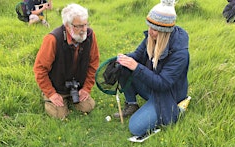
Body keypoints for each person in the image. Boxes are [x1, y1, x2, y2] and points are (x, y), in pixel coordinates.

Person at [113, 0, 190, 137]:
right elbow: (137, 55)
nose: (150, 32)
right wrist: (123, 59)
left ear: (164, 31)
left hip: (168, 95)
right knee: (123, 67)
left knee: (135, 128)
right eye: (149, 26)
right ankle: (132, 104)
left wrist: (136, 67)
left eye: (154, 29)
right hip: (152, 86)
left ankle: (176, 110)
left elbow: (163, 84)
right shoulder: (151, 37)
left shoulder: (180, 53)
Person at [33, 3, 100, 119]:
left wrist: (86, 88)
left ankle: (70, 97)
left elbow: (93, 63)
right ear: (67, 26)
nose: (84, 30)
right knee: (60, 115)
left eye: (85, 25)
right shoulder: (53, 39)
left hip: (77, 86)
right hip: (57, 86)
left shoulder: (90, 35)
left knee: (88, 107)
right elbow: (40, 69)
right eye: (79, 26)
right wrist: (51, 93)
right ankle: (48, 96)